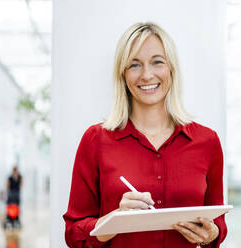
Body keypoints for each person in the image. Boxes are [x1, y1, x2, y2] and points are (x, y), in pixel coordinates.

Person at [63, 22, 227, 248]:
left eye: (157, 62)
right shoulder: (95, 140)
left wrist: (212, 234)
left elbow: (218, 223)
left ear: (171, 69)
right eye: (134, 65)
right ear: (123, 74)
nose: (147, 74)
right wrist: (113, 221)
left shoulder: (207, 142)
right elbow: (73, 232)